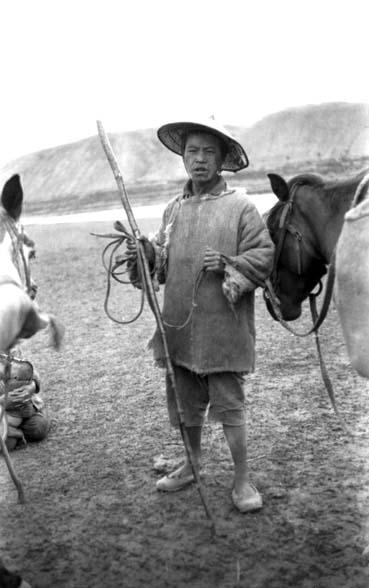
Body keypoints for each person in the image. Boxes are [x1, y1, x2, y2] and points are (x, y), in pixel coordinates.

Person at [127, 117, 274, 512]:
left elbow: (264, 256)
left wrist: (228, 263)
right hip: (179, 325)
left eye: (210, 152)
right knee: (185, 403)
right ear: (183, 156)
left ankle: (242, 480)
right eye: (192, 151)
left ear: (223, 158)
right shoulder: (173, 210)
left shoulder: (242, 208)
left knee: (230, 405)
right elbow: (161, 258)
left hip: (223, 326)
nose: (200, 160)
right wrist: (146, 253)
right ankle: (191, 464)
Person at [1, 347, 50, 451]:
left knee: (37, 429)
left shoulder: (9, 345)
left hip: (22, 406)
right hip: (2, 412)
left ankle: (10, 431)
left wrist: (31, 387)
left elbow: (31, 372)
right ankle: (15, 433)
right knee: (7, 443)